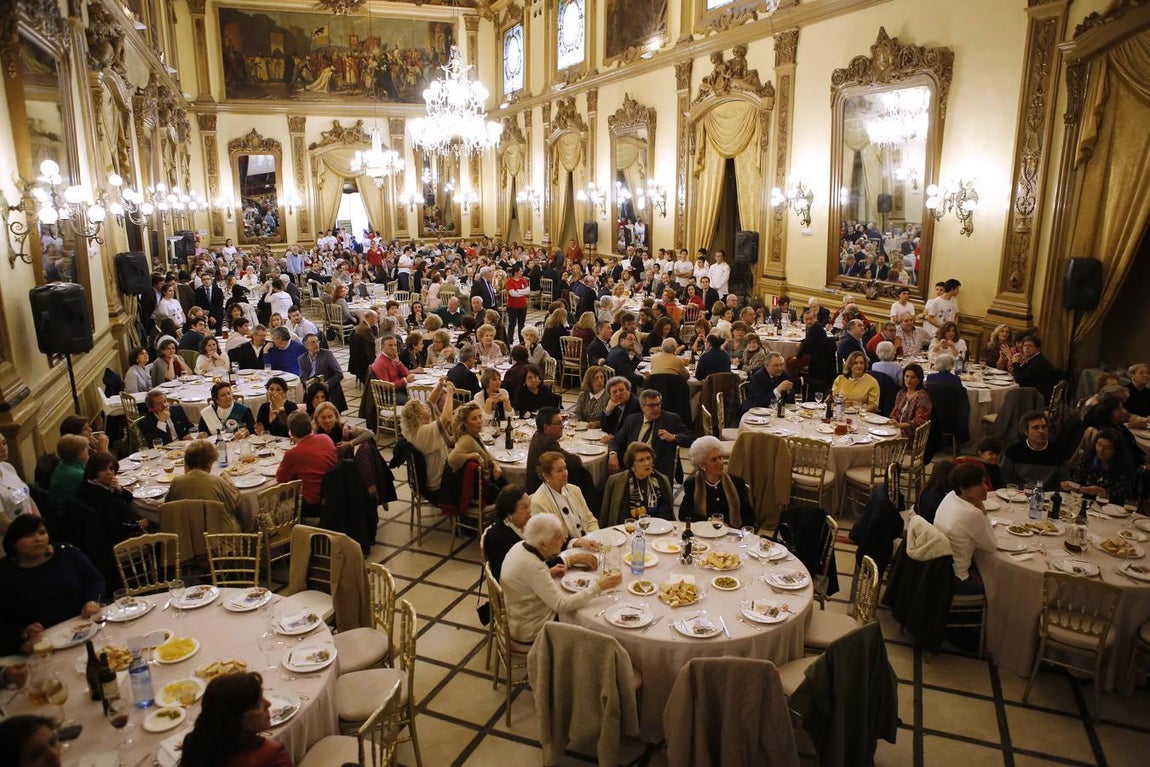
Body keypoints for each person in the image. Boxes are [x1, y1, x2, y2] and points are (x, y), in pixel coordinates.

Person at [500, 514, 619, 645]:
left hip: (517, 616)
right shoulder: (534, 566)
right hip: (532, 630)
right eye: (558, 537)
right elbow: (561, 605)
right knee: (595, 632)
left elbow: (526, 579)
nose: (564, 540)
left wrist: (549, 572)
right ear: (542, 544)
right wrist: (598, 587)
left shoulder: (519, 547)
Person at [0, 514, 104, 655]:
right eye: (29, 535)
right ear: (14, 543)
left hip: (83, 625)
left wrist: (92, 600)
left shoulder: (66, 553)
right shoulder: (5, 573)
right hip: (41, 643)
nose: (38, 539)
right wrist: (21, 633)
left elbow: (94, 580)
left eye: (42, 533)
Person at [179, 671, 293, 767]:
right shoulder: (272, 754)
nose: (268, 704)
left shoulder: (193, 745)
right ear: (235, 720)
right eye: (257, 705)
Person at [934, 462, 995, 594]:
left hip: (938, 568)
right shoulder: (972, 514)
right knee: (1000, 585)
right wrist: (983, 511)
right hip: (956, 579)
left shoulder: (950, 496)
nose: (986, 488)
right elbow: (991, 546)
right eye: (979, 485)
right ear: (963, 488)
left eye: (984, 482)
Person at [529, 451, 602, 546]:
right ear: (546, 475)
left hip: (589, 542)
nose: (565, 473)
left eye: (565, 468)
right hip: (564, 552)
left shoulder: (574, 490)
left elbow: (590, 520)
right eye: (559, 470)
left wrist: (595, 537)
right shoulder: (539, 503)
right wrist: (577, 543)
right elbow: (549, 541)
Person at [678, 436, 753, 526]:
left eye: (720, 457)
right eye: (714, 460)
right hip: (705, 533)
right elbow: (683, 514)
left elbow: (750, 516)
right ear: (702, 466)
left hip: (732, 535)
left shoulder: (736, 482)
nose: (720, 462)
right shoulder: (692, 484)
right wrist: (709, 521)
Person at [276, 411, 338, 518]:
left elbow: (281, 479)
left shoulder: (293, 454)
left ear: (291, 432)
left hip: (312, 505)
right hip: (334, 495)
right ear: (310, 426)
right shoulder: (326, 438)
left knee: (280, 498)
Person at [77, 451, 148, 543]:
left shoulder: (89, 484)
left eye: (111, 468)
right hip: (115, 541)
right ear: (94, 471)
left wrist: (119, 489)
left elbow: (129, 498)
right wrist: (138, 526)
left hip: (116, 529)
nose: (109, 473)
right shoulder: (99, 494)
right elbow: (114, 525)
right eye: (103, 469)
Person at [400, 378, 455, 494]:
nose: (427, 407)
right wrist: (450, 393)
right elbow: (446, 419)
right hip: (438, 483)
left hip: (433, 475)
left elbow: (430, 402)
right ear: (417, 415)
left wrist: (440, 386)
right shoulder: (423, 432)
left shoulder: (413, 429)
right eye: (423, 408)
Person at [166, 440, 244, 521]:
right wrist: (230, 482)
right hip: (218, 530)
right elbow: (236, 502)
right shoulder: (217, 482)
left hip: (186, 530)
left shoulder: (176, 483)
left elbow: (168, 507)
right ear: (209, 463)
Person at [600, 441, 674, 527]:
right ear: (632, 465)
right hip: (625, 530)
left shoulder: (661, 480)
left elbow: (666, 513)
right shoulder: (616, 482)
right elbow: (608, 517)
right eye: (641, 460)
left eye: (648, 458)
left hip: (656, 529)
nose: (647, 463)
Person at [1062, 428, 1137, 505]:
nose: (1101, 450)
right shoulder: (1088, 458)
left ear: (1116, 450)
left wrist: (1103, 492)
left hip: (1109, 508)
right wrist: (1070, 486)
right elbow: (1076, 480)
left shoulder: (1123, 467)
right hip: (1083, 502)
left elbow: (1123, 497)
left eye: (1107, 448)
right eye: (1099, 444)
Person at [448, 403, 504, 497]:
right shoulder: (466, 440)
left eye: (480, 417)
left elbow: (486, 453)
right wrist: (474, 455)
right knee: (514, 494)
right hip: (481, 490)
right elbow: (452, 459)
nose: (479, 421)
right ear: (465, 423)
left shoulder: (475, 434)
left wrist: (495, 464)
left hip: (487, 480)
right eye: (474, 419)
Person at [1001, 411, 1063, 486]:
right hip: (1019, 493)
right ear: (1026, 431)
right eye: (1035, 427)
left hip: (1047, 494)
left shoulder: (1058, 451)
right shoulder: (1014, 449)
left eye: (1044, 427)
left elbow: (1063, 480)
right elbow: (1004, 477)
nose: (1041, 431)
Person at [0, 434, 36, 530]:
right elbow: (2, 522)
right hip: (13, 536)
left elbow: (28, 498)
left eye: (4, 443)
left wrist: (39, 524)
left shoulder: (7, 467)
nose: (3, 449)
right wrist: (30, 532)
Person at [889, 364, 932, 439]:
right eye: (907, 376)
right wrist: (893, 421)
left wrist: (901, 425)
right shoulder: (901, 393)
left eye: (913, 377)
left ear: (919, 379)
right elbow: (895, 412)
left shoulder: (922, 396)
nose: (908, 380)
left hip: (912, 435)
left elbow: (920, 421)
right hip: (897, 430)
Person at [370, 335, 414, 405]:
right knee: (415, 404)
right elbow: (386, 386)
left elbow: (407, 374)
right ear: (382, 347)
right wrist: (405, 381)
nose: (393, 348)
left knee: (420, 397)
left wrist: (398, 363)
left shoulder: (392, 357)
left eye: (395, 345)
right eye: (390, 345)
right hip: (389, 396)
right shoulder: (380, 362)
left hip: (399, 390)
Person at [48, 435, 89, 503]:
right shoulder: (77, 474)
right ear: (79, 453)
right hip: (68, 510)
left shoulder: (64, 463)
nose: (88, 452)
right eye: (86, 449)